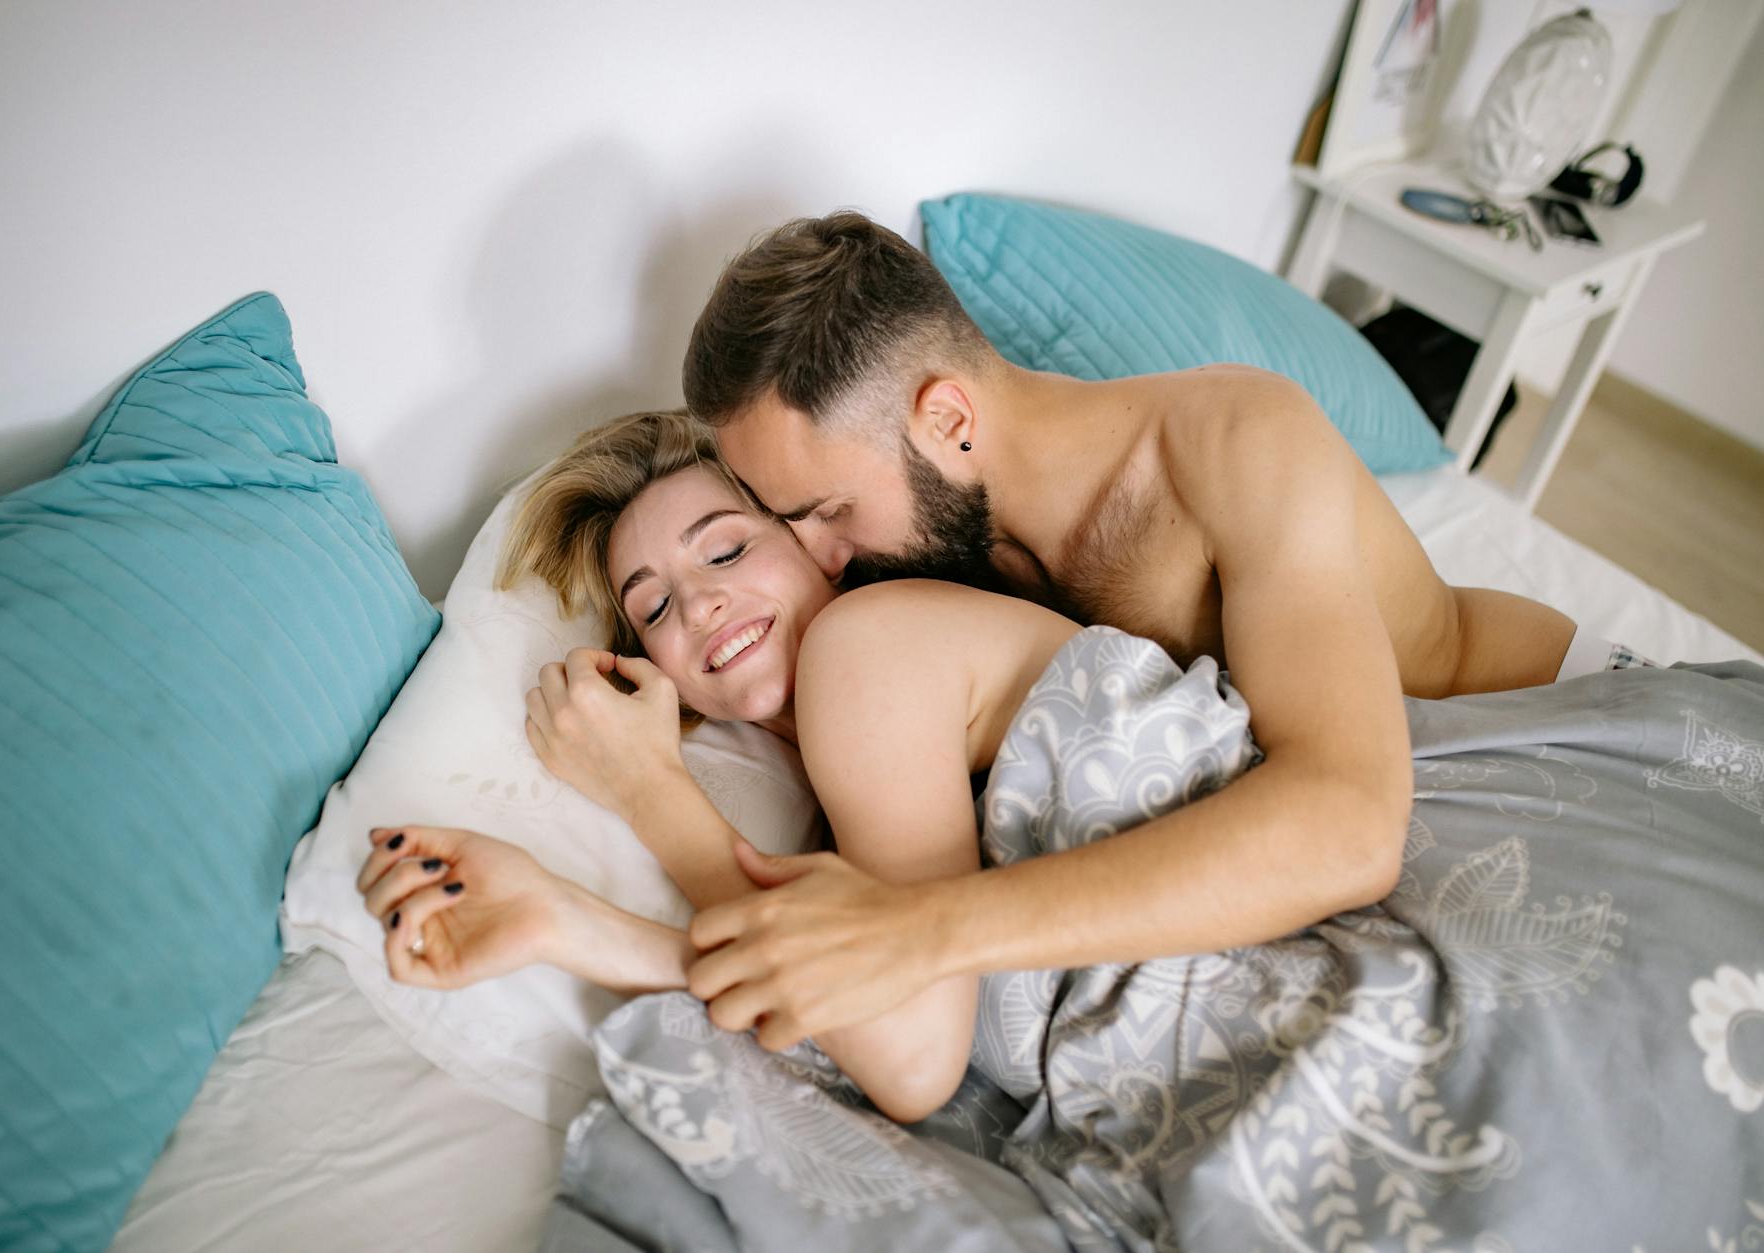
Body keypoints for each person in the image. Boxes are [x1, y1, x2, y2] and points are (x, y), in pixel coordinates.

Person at [659, 210, 1642, 1051]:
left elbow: (1345, 823)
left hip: (1524, 718)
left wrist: (925, 928)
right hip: (1373, 793)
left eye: (825, 510)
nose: (822, 556)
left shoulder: (1237, 442)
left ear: (946, 417)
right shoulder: (916, 536)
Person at [354, 407, 1400, 1122]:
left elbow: (909, 1058)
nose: (702, 603)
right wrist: (564, 919)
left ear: (818, 544)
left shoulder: (870, 647)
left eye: (723, 550)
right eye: (655, 604)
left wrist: (646, 789)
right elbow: (866, 997)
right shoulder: (842, 807)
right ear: (650, 666)